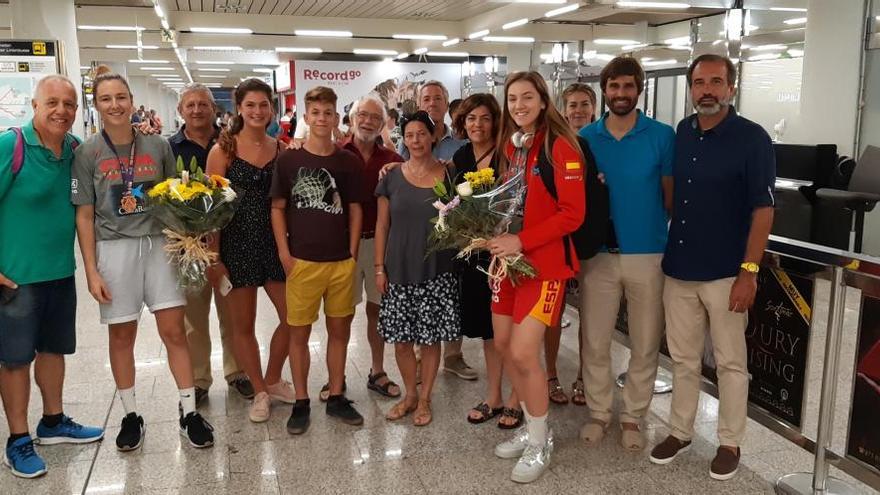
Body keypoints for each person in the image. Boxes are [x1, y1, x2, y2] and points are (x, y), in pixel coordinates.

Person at [72, 68, 214, 452]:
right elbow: (84, 215)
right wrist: (90, 270)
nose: (115, 105)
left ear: (132, 101)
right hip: (114, 249)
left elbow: (175, 197)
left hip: (158, 245)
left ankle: (188, 412)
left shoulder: (158, 147)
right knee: (121, 335)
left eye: (121, 97)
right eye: (106, 99)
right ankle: (131, 414)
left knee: (173, 332)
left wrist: (188, 242)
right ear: (97, 105)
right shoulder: (86, 153)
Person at [649, 54, 775, 481]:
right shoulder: (681, 133)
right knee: (682, 360)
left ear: (731, 88)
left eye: (716, 82)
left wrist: (749, 271)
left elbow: (763, 210)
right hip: (680, 267)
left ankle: (729, 440)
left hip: (726, 272)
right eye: (699, 82)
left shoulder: (752, 138)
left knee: (730, 363)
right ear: (691, 88)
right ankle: (680, 431)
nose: (707, 90)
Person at [0, 75, 104, 479]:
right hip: (16, 280)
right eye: (53, 103)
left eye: (70, 104)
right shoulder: (12, 146)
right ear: (34, 104)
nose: (62, 111)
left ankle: (53, 421)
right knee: (13, 361)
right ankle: (18, 439)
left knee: (53, 351)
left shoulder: (74, 151)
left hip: (60, 273)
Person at [489, 71, 585, 483]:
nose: (519, 106)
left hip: (544, 268)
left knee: (527, 354)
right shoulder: (513, 147)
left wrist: (521, 241)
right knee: (508, 349)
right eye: (512, 99)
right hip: (509, 266)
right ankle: (532, 427)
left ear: (544, 102)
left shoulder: (560, 147)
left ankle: (541, 440)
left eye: (527, 98)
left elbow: (573, 214)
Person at [577, 57, 674, 452]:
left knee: (645, 340)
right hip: (598, 255)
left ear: (639, 90)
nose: (620, 94)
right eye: (613, 87)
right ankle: (600, 412)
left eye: (628, 87)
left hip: (648, 253)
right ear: (604, 90)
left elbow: (670, 196)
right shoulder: (586, 137)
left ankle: (633, 415)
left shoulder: (662, 136)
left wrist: (646, 223)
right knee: (595, 339)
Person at [270, 86, 366, 435]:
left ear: (337, 116)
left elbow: (355, 208)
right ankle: (300, 400)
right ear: (306, 117)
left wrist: (354, 251)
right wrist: (285, 253)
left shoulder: (348, 162)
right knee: (299, 334)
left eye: (328, 112)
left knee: (339, 331)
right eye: (316, 113)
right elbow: (278, 208)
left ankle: (337, 393)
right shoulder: (289, 160)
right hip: (303, 262)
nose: (322, 118)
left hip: (340, 262)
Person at [205, 78, 293, 423]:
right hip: (235, 243)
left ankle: (272, 378)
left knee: (293, 317)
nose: (258, 111)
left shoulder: (281, 150)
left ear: (272, 108)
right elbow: (211, 211)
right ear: (239, 108)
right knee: (243, 325)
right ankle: (258, 389)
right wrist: (214, 257)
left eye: (264, 105)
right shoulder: (222, 151)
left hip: (273, 242)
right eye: (251, 105)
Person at [169, 83, 255, 406]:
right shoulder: (170, 148)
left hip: (229, 243)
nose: (196, 110)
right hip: (188, 245)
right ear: (180, 111)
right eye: (189, 105)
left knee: (232, 312)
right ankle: (200, 379)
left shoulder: (230, 143)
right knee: (193, 318)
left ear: (213, 109)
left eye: (202, 104)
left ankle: (238, 372)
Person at [375, 110, 461, 426]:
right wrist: (379, 268)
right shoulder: (392, 176)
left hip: (437, 269)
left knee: (429, 339)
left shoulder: (449, 174)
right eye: (409, 135)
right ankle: (410, 394)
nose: (415, 140)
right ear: (403, 139)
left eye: (421, 134)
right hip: (398, 268)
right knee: (401, 339)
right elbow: (382, 225)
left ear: (433, 136)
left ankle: (425, 399)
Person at [450, 94, 522, 429]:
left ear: (496, 121)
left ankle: (516, 398)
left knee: (512, 332)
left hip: (509, 253)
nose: (477, 125)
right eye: (471, 119)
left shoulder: (509, 154)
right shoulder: (462, 155)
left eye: (485, 118)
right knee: (490, 332)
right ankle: (493, 394)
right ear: (462, 123)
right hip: (476, 255)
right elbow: (449, 199)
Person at [396, 80, 473, 381]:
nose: (432, 103)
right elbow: (402, 173)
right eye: (426, 98)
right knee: (422, 291)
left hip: (452, 230)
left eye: (438, 98)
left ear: (446, 103)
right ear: (419, 103)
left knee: (451, 292)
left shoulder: (460, 145)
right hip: (419, 230)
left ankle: (453, 356)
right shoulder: (408, 141)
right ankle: (419, 354)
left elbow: (469, 184)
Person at [338, 95, 403, 400]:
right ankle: (335, 377)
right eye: (362, 115)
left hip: (379, 247)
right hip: (342, 247)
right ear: (352, 118)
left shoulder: (392, 160)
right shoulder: (335, 153)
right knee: (341, 314)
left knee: (378, 310)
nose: (367, 121)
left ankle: (377, 370)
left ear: (383, 124)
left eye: (375, 118)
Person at [543, 82, 600, 408]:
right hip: (557, 243)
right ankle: (551, 374)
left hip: (590, 243)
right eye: (572, 105)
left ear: (593, 108)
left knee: (589, 319)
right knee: (553, 313)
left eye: (584, 105)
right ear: (563, 110)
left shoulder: (597, 144)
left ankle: (583, 377)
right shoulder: (554, 145)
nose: (578, 111)